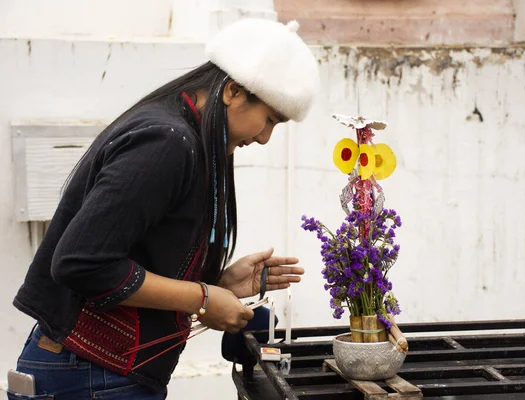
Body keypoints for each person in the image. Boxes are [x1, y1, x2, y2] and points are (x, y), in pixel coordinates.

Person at [10, 18, 319, 400]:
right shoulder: (168, 142)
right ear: (234, 91)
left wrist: (219, 284)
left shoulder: (183, 136)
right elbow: (81, 262)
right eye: (269, 118)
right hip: (89, 376)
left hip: (98, 375)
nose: (265, 137)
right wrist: (203, 298)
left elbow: (132, 258)